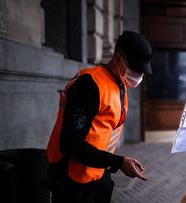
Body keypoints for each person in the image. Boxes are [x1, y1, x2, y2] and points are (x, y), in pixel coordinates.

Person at [45, 31, 153, 203]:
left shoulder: (119, 85)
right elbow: (71, 143)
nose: (139, 77)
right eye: (135, 70)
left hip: (98, 174)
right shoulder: (89, 84)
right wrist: (119, 163)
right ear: (118, 59)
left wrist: (111, 167)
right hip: (73, 183)